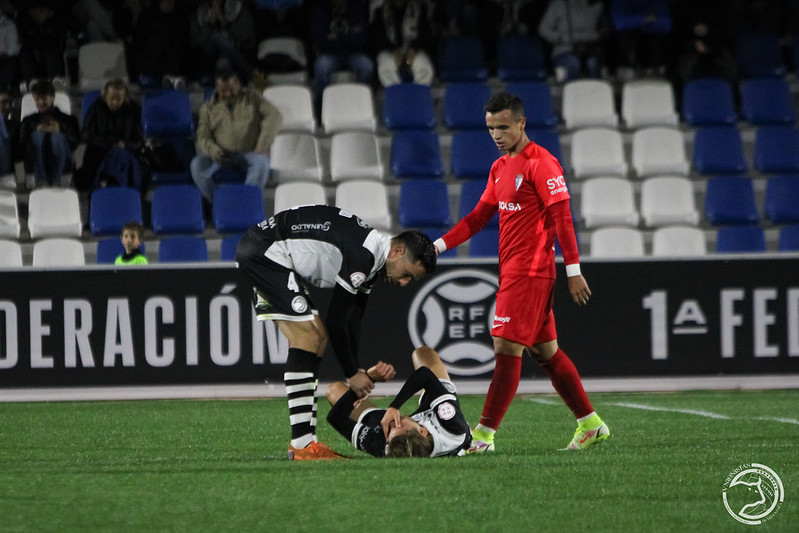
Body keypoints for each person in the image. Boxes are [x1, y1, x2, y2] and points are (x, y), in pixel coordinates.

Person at [432, 92, 609, 453]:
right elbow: (479, 217)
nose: (496, 134)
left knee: (505, 346)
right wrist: (437, 246)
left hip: (530, 273)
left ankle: (483, 436)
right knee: (546, 352)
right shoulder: (500, 168)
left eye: (503, 127)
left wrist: (573, 270)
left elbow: (562, 220)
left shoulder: (541, 164)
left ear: (521, 123)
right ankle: (591, 424)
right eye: (491, 128)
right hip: (514, 272)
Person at [235, 204, 437, 461]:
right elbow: (338, 319)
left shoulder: (372, 259)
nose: (404, 283)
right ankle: (302, 446)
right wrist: (352, 374)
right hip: (265, 253)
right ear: (397, 251)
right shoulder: (365, 255)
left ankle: (306, 444)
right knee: (308, 337)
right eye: (407, 274)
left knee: (315, 339)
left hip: (266, 249)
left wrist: (356, 369)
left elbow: (354, 318)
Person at [326, 345, 472, 458]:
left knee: (334, 390)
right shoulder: (452, 427)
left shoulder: (383, 444)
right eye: (398, 424)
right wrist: (394, 407)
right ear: (422, 431)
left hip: (407, 430)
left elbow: (335, 418)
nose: (391, 423)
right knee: (422, 353)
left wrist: (369, 379)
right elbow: (425, 375)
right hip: (435, 413)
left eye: (390, 430)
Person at [191, 61, 282, 204]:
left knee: (262, 163)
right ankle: (219, 204)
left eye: (231, 89)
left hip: (250, 152)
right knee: (197, 165)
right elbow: (203, 136)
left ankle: (245, 204)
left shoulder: (253, 98)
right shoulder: (207, 108)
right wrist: (214, 151)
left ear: (238, 85)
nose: (228, 94)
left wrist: (262, 145)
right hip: (221, 156)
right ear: (217, 88)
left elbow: (274, 115)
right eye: (223, 90)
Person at [76, 79, 144, 192]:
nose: (115, 103)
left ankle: (107, 185)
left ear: (125, 97)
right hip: (100, 152)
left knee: (119, 154)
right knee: (113, 156)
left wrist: (125, 145)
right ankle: (120, 188)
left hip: (126, 154)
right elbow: (86, 134)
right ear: (105, 96)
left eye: (119, 99)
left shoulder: (134, 110)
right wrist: (108, 143)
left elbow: (139, 141)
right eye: (112, 99)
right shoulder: (96, 108)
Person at [309, 0, 373, 109]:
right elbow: (319, 41)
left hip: (354, 53)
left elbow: (362, 39)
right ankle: (324, 106)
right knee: (321, 66)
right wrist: (349, 36)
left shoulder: (356, 8)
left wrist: (336, 38)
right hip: (330, 54)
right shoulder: (320, 10)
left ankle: (359, 103)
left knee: (366, 65)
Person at [18, 79, 79, 189]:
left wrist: (59, 131)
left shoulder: (68, 119)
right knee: (37, 135)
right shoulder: (28, 121)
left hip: (63, 161)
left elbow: (74, 144)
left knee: (56, 137)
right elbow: (21, 146)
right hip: (36, 163)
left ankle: (55, 181)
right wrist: (35, 130)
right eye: (37, 99)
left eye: (44, 98)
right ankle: (42, 181)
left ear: (52, 97)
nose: (40, 102)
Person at [189, 0, 263, 87]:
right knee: (215, 37)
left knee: (223, 64)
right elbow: (195, 41)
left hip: (235, 55)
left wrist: (223, 20)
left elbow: (246, 37)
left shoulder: (237, 7)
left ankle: (232, 86)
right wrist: (210, 23)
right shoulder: (201, 11)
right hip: (208, 56)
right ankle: (251, 75)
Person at [537, 0, 609, 82]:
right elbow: (543, 29)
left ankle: (597, 92)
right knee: (572, 63)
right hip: (565, 50)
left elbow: (604, 28)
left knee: (593, 63)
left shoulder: (597, 4)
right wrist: (561, 38)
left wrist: (597, 35)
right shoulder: (559, 4)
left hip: (591, 48)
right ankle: (571, 92)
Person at [369, 0, 435, 87]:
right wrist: (393, 50)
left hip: (414, 49)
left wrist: (413, 49)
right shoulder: (380, 12)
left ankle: (419, 94)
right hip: (389, 50)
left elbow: (426, 35)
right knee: (386, 66)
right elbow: (377, 38)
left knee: (424, 67)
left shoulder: (419, 10)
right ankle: (395, 94)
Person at [131, 0, 191, 90]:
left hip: (171, 59)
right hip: (151, 57)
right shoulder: (147, 16)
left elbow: (184, 40)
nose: (170, 4)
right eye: (167, 1)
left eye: (172, 1)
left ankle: (172, 78)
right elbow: (138, 40)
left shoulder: (179, 17)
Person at [16, 0, 69, 93]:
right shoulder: (28, 26)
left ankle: (55, 80)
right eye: (34, 12)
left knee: (49, 50)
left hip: (52, 58)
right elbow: (26, 42)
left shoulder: (56, 25)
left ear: (50, 13)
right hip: (33, 58)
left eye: (41, 12)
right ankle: (32, 82)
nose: (37, 15)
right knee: (24, 52)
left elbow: (59, 44)